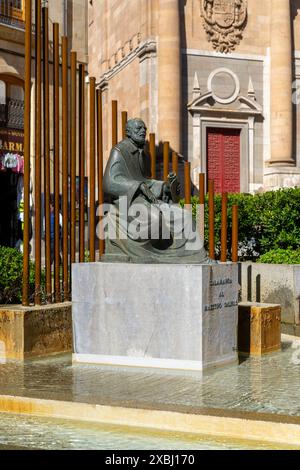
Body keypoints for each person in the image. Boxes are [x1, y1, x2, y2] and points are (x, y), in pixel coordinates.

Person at [102, 118, 208, 264]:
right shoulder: (120, 151)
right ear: (128, 132)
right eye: (138, 128)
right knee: (154, 218)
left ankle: (196, 257)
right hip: (128, 201)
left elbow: (146, 180)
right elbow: (109, 182)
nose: (143, 131)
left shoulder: (144, 155)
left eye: (144, 128)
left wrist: (164, 186)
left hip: (144, 199)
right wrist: (136, 186)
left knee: (184, 216)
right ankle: (159, 255)